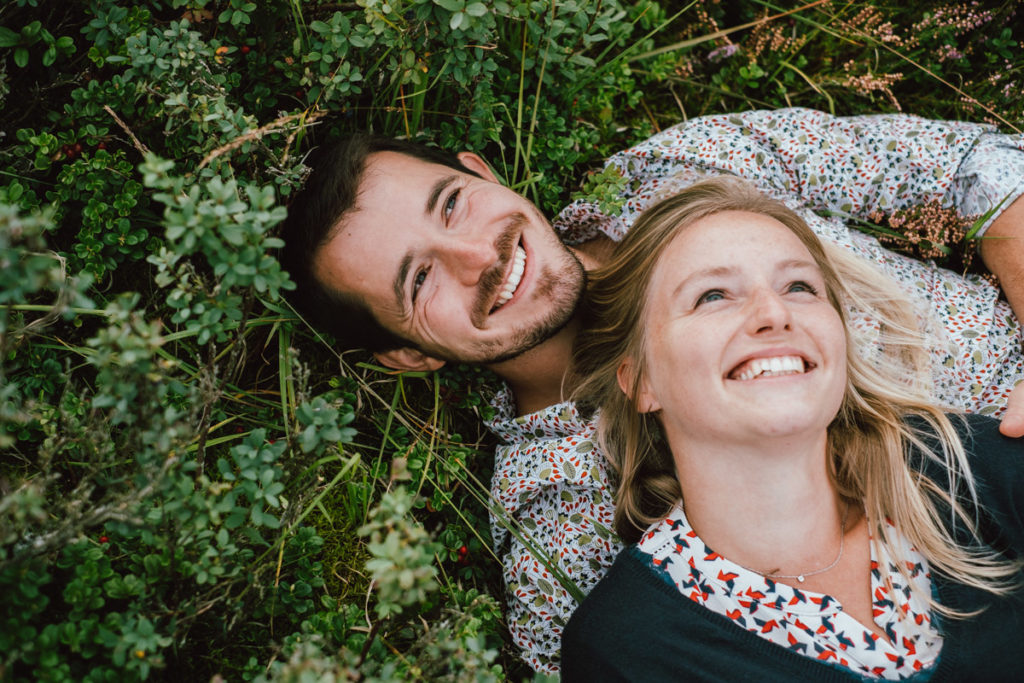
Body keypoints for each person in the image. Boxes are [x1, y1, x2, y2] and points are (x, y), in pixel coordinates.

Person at [279, 108, 1024, 672]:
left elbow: (972, 167)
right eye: (420, 279)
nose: (478, 255)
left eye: (452, 204)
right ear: (408, 354)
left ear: (482, 170)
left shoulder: (676, 172)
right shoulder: (557, 528)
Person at [562, 177, 1024, 681]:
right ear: (642, 381)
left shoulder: (970, 468)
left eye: (799, 287)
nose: (774, 313)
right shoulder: (626, 649)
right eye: (712, 295)